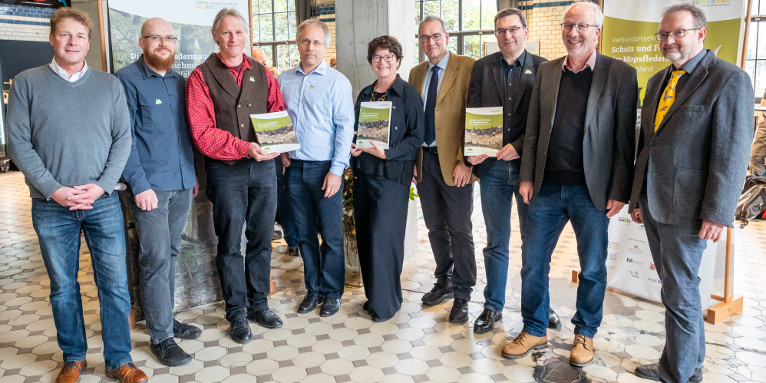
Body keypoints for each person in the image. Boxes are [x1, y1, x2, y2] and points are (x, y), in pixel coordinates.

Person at [6, 7, 147, 383]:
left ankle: (119, 360)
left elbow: (123, 140)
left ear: (88, 42)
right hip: (51, 207)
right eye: (65, 35)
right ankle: (74, 358)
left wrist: (101, 185)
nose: (73, 42)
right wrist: (55, 190)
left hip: (101, 203)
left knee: (115, 285)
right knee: (63, 287)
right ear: (52, 39)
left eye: (80, 36)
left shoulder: (109, 85)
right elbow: (18, 143)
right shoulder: (26, 83)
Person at [504, 2, 637, 367]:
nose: (573, 32)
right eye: (568, 25)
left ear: (597, 31)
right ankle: (534, 326)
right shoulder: (546, 72)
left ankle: (585, 333)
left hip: (591, 192)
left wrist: (618, 190)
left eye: (582, 26)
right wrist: (528, 175)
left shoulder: (621, 74)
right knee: (532, 262)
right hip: (545, 188)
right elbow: (532, 129)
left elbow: (626, 141)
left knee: (592, 267)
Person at [629, 4, 754, 382]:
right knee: (677, 290)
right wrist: (637, 198)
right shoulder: (657, 80)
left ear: (701, 34)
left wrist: (719, 212)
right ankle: (690, 365)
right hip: (653, 202)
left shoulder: (728, 79)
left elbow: (732, 152)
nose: (669, 41)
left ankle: (676, 374)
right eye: (663, 34)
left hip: (689, 208)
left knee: (680, 293)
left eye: (677, 33)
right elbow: (647, 144)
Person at [185, 7, 284, 344]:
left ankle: (259, 303)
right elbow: (202, 133)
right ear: (216, 36)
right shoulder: (201, 76)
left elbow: (276, 114)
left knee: (261, 239)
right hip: (227, 170)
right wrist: (245, 148)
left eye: (239, 32)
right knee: (229, 243)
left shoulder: (264, 73)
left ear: (246, 36)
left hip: (264, 168)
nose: (233, 39)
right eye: (226, 33)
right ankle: (236, 311)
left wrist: (277, 144)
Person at [115, 18, 202, 367]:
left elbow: (186, 134)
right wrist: (140, 184)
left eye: (169, 38)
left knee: (172, 252)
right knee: (154, 260)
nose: (164, 43)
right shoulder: (126, 80)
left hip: (181, 183)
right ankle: (161, 337)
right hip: (150, 188)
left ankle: (165, 318)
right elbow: (124, 140)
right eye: (156, 38)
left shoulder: (181, 83)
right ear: (142, 41)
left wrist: (192, 175)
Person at [465, 8, 556, 334]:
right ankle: (493, 306)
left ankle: (542, 304)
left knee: (535, 245)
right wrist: (472, 151)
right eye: (501, 30)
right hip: (491, 171)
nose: (507, 36)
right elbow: (473, 112)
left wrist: (518, 145)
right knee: (496, 241)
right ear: (496, 34)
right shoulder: (481, 67)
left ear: (525, 30)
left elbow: (547, 120)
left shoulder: (545, 68)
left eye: (513, 29)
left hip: (529, 169)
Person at [279, 19, 354, 317]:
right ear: (298, 43)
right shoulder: (283, 79)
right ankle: (314, 289)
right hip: (294, 168)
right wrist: (282, 150)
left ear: (325, 46)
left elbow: (345, 129)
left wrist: (337, 170)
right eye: (305, 41)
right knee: (304, 234)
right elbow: (279, 119)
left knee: (332, 236)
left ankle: (333, 292)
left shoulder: (337, 81)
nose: (311, 47)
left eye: (317, 42)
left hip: (326, 170)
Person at [350, 35, 424, 322]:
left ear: (398, 60)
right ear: (371, 62)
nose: (382, 62)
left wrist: (389, 153)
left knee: (384, 239)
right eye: (377, 57)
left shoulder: (408, 94)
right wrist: (355, 145)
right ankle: (374, 298)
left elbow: (417, 136)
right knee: (367, 237)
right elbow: (356, 129)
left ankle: (387, 303)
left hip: (392, 175)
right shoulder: (366, 94)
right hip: (363, 173)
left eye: (388, 57)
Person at [408, 16, 476, 325]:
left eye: (435, 36)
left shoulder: (467, 66)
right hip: (425, 161)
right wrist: (410, 160)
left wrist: (467, 161)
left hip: (455, 164)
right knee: (435, 227)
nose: (430, 42)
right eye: (424, 37)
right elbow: (411, 121)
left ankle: (463, 292)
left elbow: (473, 117)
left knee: (460, 230)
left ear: (446, 36)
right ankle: (444, 280)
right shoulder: (416, 73)